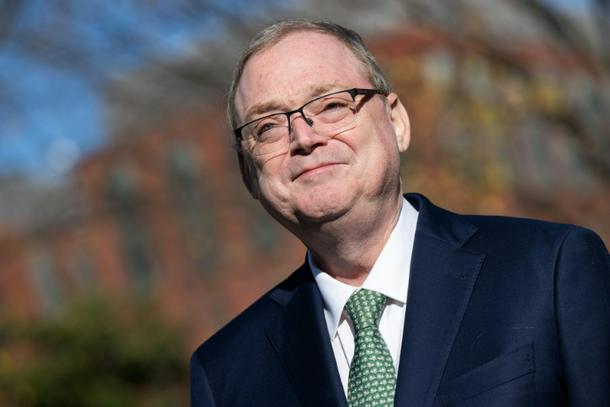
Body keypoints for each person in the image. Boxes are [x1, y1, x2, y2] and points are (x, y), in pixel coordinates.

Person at [190, 20, 610, 406]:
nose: (303, 136)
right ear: (248, 174)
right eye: (267, 127)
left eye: (332, 105)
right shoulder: (225, 375)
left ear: (396, 121)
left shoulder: (550, 270)